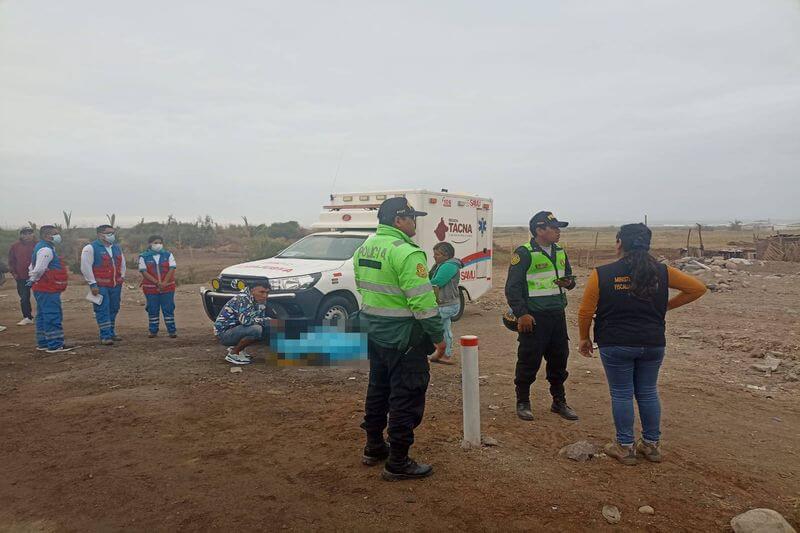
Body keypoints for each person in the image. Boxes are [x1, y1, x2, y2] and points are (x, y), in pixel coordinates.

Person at [577, 223, 707, 465]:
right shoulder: (662, 271)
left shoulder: (603, 273)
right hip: (652, 342)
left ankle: (625, 447)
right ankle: (651, 445)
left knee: (621, 393)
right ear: (647, 245)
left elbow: (586, 311)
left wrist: (584, 338)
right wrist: (666, 306)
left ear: (619, 243)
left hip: (615, 343)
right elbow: (697, 288)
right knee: (647, 392)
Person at [354, 197, 445, 481]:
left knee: (378, 390)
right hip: (404, 338)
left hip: (375, 334)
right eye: (411, 218)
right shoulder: (407, 253)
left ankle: (374, 446)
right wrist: (439, 336)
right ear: (398, 220)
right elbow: (423, 303)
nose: (415, 222)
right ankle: (398, 461)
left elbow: (363, 287)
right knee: (406, 395)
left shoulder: (365, 247)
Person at [505, 211, 579, 422]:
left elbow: (569, 280)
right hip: (534, 318)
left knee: (559, 359)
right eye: (554, 228)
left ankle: (559, 401)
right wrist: (522, 314)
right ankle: (523, 401)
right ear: (539, 230)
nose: (558, 232)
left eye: (558, 228)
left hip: (557, 315)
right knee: (529, 360)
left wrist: (569, 283)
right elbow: (512, 288)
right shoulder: (524, 253)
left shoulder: (560, 251)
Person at [28, 226, 76, 353]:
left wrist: (33, 280)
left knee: (43, 315)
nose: (58, 236)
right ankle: (55, 344)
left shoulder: (41, 247)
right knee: (52, 314)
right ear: (46, 236)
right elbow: (38, 269)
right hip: (47, 288)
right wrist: (34, 278)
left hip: (42, 288)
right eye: (55, 234)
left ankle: (43, 342)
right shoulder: (46, 250)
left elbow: (31, 266)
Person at [81, 225, 126, 346]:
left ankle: (111, 332)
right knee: (102, 309)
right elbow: (86, 267)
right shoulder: (90, 248)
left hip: (115, 284)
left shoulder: (116, 248)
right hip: (100, 285)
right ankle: (105, 335)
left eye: (113, 233)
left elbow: (122, 264)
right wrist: (92, 283)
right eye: (109, 233)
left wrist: (122, 277)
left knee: (114, 308)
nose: (112, 235)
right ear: (100, 235)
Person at [214, 281, 276, 365]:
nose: (265, 295)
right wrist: (267, 320)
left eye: (267, 292)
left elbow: (258, 318)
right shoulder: (242, 299)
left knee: (267, 326)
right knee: (256, 329)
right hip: (224, 334)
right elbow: (246, 321)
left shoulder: (259, 300)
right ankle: (234, 353)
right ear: (251, 290)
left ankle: (239, 350)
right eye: (261, 292)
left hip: (236, 329)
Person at [428, 241, 463, 365]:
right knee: (445, 329)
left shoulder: (449, 266)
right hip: (447, 303)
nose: (434, 256)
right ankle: (445, 355)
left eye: (437, 254)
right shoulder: (443, 264)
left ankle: (441, 354)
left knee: (435, 328)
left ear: (446, 255)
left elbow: (437, 282)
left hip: (446, 304)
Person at [138, 235, 177, 338]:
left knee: (168, 308)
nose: (158, 245)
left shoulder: (168, 255)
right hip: (150, 288)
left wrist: (164, 283)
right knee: (152, 309)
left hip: (168, 287)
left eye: (160, 242)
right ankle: (153, 331)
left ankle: (172, 331)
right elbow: (144, 272)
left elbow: (172, 268)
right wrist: (157, 283)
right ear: (150, 244)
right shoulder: (143, 256)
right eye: (155, 242)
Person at [8, 228, 37, 326]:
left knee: (41, 296)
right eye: (25, 234)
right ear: (21, 235)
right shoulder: (15, 246)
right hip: (22, 276)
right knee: (24, 298)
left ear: (33, 234)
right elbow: (11, 261)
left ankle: (43, 316)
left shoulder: (38, 245)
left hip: (38, 276)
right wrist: (15, 274)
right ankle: (27, 317)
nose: (27, 236)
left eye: (30, 233)